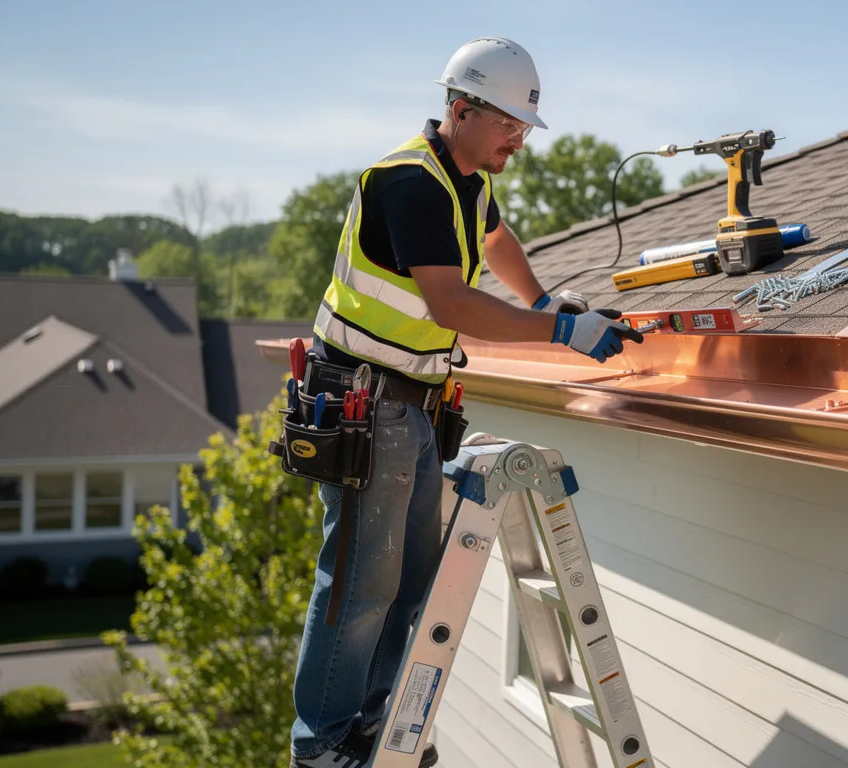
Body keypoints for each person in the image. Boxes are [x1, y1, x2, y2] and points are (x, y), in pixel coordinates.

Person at [288, 36, 642, 768]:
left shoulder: (468, 182)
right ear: (461, 110)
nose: (519, 138)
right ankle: (321, 745)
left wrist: (546, 297)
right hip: (365, 397)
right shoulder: (409, 182)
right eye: (509, 123)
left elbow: (496, 235)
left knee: (413, 580)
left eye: (523, 126)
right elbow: (450, 300)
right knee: (363, 580)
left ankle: (373, 729)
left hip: (411, 404)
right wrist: (560, 331)